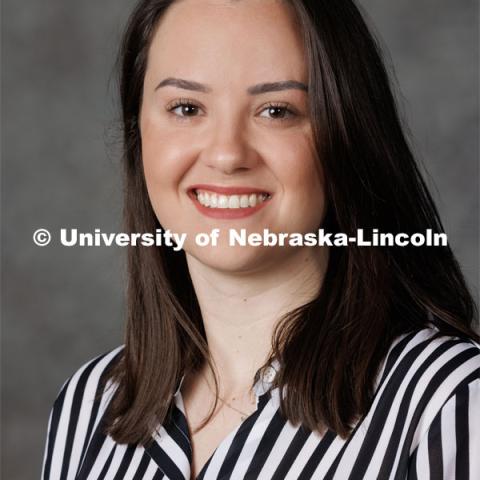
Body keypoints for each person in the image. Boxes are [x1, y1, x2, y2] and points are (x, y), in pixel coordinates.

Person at [41, 0, 480, 478]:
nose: (227, 154)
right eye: (186, 108)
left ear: (347, 133)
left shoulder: (450, 403)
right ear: (138, 133)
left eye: (276, 111)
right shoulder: (89, 407)